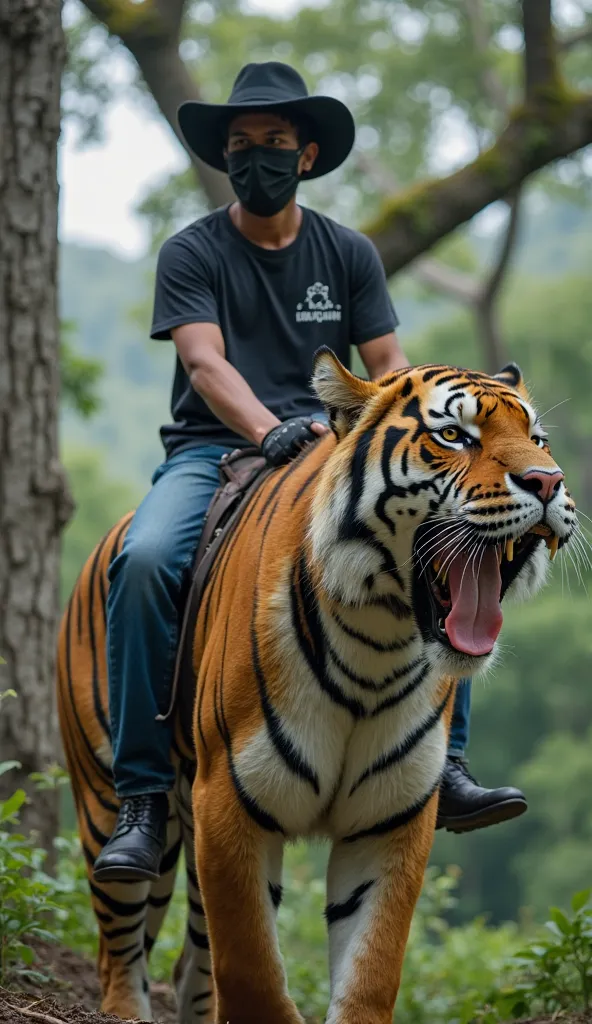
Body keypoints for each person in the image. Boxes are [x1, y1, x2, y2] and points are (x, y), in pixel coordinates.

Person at [93, 61, 526, 884]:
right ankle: (144, 796)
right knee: (145, 559)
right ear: (225, 157)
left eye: (274, 144)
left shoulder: (348, 252)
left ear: (308, 154)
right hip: (211, 449)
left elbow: (389, 363)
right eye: (242, 145)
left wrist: (430, 423)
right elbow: (205, 362)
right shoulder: (191, 252)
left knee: (446, 535)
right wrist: (268, 429)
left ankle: (450, 765)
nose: (256, 157)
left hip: (337, 447)